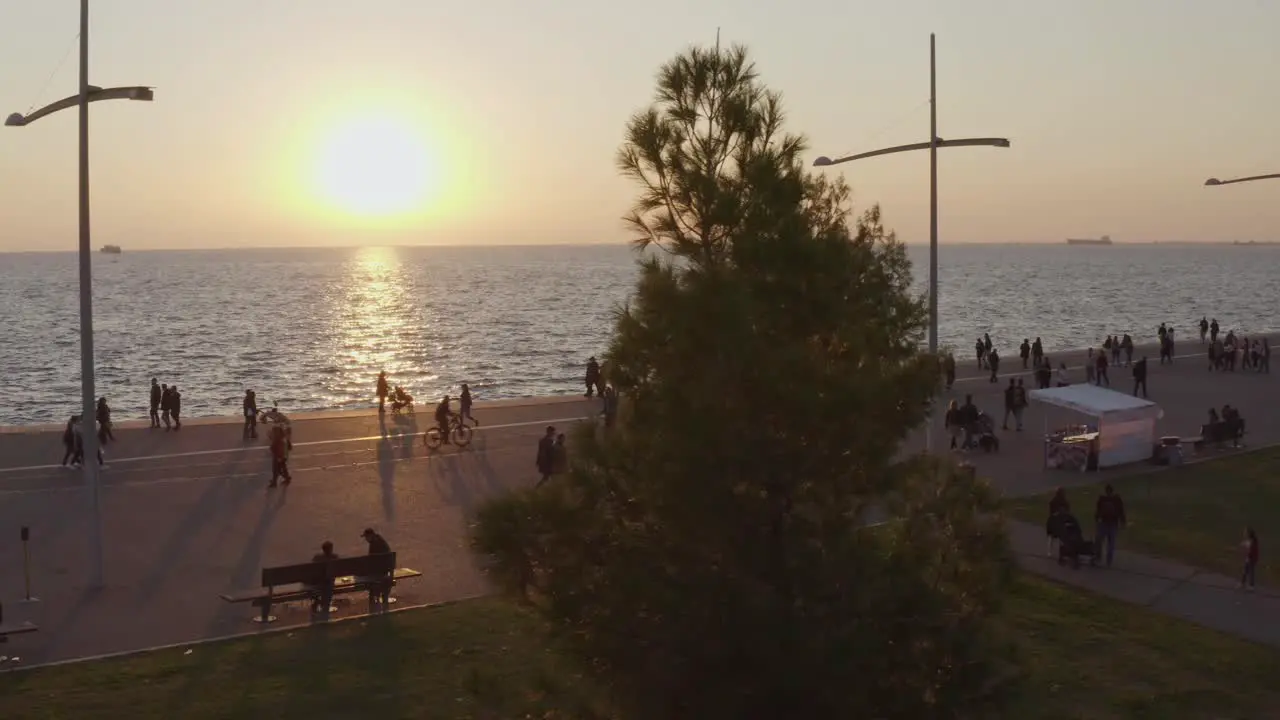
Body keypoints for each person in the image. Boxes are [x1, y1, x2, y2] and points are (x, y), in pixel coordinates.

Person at [1094, 484, 1127, 567]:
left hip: (1103, 523)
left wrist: (1096, 519)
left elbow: (1098, 510)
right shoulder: (1116, 499)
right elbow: (1121, 511)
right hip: (1113, 523)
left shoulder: (1102, 499)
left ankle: (1098, 557)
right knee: (1111, 543)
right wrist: (1123, 522)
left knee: (1099, 540)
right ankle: (1109, 560)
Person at [359, 527, 394, 606]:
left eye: (366, 537)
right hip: (386, 568)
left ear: (371, 535)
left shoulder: (374, 544)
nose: (366, 539)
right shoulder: (380, 539)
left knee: (365, 577)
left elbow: (371, 560)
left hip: (379, 571)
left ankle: (374, 599)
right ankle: (378, 597)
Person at [308, 541, 339, 614]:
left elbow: (311, 570)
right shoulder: (335, 557)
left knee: (318, 587)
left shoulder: (317, 558)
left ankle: (316, 604)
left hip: (318, 584)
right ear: (331, 549)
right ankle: (325, 605)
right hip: (329, 584)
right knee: (328, 585)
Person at [268, 422, 292, 488]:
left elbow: (274, 448)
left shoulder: (278, 439)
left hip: (278, 456)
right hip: (283, 456)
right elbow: (290, 447)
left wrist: (279, 457)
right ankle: (286, 478)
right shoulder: (284, 438)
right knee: (282, 468)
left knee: (276, 469)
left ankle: (274, 482)